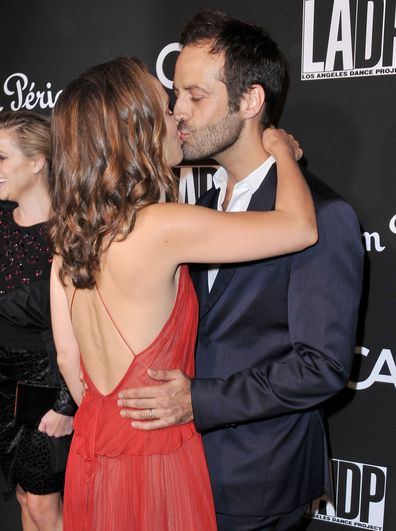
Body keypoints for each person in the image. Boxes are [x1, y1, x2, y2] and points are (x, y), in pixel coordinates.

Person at [117, 10, 364, 531]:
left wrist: (197, 400)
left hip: (259, 478)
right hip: (176, 465)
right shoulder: (197, 210)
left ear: (250, 101)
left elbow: (321, 365)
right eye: (176, 95)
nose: (178, 112)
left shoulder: (323, 217)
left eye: (196, 96)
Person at [48, 56, 316, 531]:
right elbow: (298, 227)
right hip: (153, 458)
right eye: (166, 108)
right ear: (137, 131)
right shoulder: (159, 225)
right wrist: (281, 151)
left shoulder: (70, 242)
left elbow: (72, 364)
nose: (179, 117)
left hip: (93, 450)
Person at [0, 111, 75, 531]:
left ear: (37, 160)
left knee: (45, 506)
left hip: (44, 388)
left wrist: (68, 403)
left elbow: (85, 325)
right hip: (3, 389)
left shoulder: (68, 233)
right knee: (27, 500)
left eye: (1, 157)